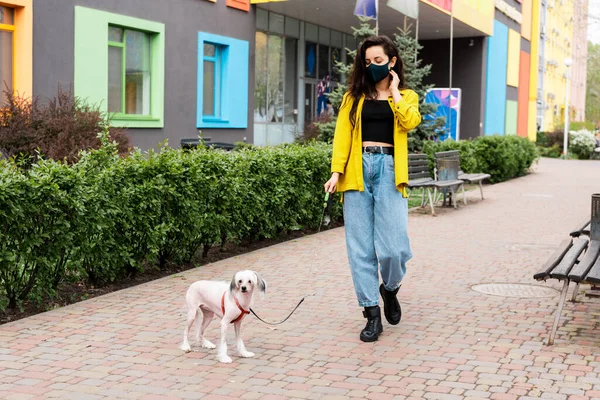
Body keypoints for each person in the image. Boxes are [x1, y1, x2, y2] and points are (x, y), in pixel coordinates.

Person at [323, 35, 421, 342]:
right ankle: (371, 314)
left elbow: (411, 122)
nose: (372, 66)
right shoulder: (353, 96)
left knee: (395, 249)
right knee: (360, 249)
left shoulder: (406, 96)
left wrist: (394, 92)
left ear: (392, 62)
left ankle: (389, 289)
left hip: (390, 171)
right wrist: (336, 171)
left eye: (378, 61)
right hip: (357, 171)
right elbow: (342, 135)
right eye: (367, 62)